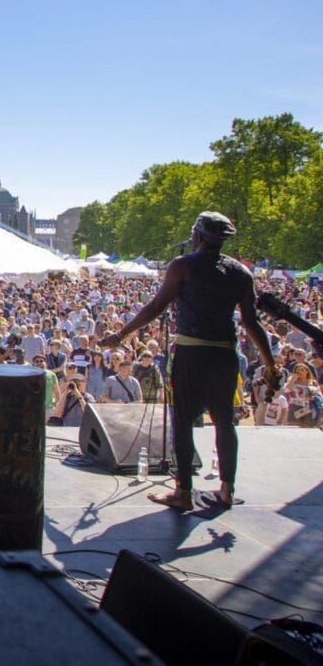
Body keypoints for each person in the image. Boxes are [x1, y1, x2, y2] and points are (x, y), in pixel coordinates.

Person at [103, 212, 277, 511]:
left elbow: (156, 306)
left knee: (182, 421)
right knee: (225, 422)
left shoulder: (182, 265)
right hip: (224, 355)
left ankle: (183, 492)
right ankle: (226, 489)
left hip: (192, 353)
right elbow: (251, 322)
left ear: (197, 235)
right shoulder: (241, 273)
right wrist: (270, 364)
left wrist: (121, 334)